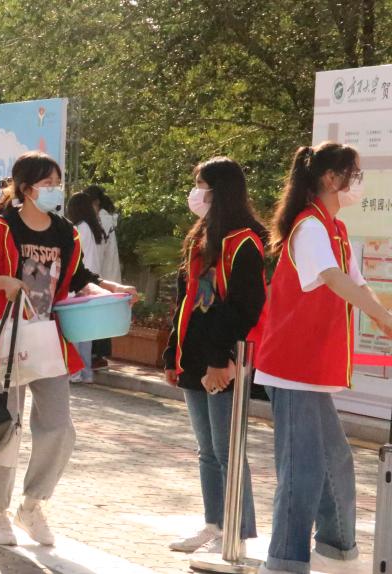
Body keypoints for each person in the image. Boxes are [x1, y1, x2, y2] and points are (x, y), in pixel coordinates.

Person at [0, 151, 137, 547]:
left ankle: (32, 505)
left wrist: (110, 288)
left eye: (58, 183)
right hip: (5, 338)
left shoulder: (64, 232)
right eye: (48, 184)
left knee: (59, 427)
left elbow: (77, 276)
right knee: (2, 425)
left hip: (48, 338)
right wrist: (3, 282)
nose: (56, 190)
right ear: (26, 189)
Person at [254, 143, 392, 574]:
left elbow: (357, 283)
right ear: (331, 178)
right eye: (354, 173)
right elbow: (333, 279)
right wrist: (383, 317)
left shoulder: (334, 227)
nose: (358, 182)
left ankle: (336, 552)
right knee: (304, 473)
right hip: (292, 367)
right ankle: (284, 562)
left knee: (335, 464)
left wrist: (384, 318)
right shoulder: (309, 226)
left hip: (310, 368)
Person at [162, 157, 264, 555]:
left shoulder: (245, 243)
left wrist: (220, 360)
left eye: (201, 186)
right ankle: (214, 524)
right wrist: (172, 354)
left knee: (227, 452)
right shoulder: (201, 238)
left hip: (222, 361)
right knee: (207, 451)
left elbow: (245, 308)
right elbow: (186, 302)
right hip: (194, 358)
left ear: (220, 191)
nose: (196, 194)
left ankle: (236, 532)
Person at [64, 192, 107, 384]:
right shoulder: (94, 229)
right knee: (85, 334)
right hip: (91, 284)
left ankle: (75, 372)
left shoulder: (79, 229)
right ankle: (86, 372)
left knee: (73, 332)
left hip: (79, 285)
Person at [83, 185, 121, 369]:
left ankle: (97, 355)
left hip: (101, 274)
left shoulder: (100, 221)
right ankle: (98, 355)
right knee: (101, 317)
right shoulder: (105, 219)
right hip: (104, 273)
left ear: (96, 202)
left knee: (98, 318)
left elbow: (96, 252)